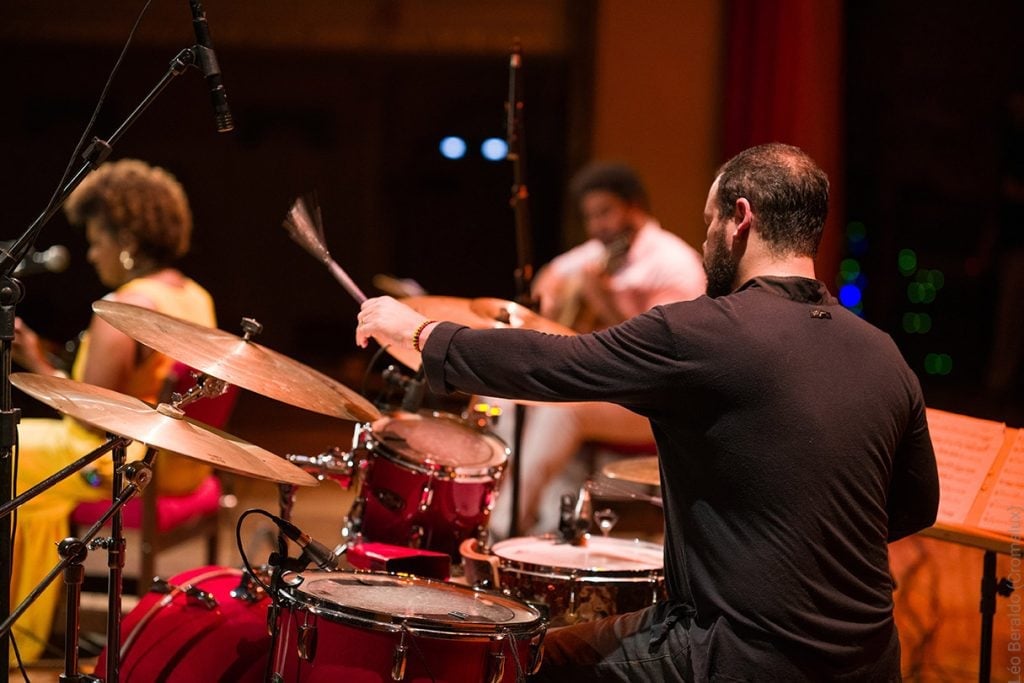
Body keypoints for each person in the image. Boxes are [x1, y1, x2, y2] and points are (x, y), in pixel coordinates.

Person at [356, 143, 939, 681]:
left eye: (709, 222)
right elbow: (917, 504)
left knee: (520, 662)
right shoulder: (884, 353)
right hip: (872, 661)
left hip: (735, 655)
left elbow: (555, 364)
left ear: (740, 218)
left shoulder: (704, 332)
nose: (705, 240)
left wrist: (424, 334)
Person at [9, 159, 217, 664]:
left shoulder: (123, 308)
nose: (91, 252)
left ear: (125, 240)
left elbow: (92, 413)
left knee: (5, 451)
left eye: (97, 239)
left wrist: (35, 363)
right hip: (179, 462)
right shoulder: (193, 295)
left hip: (114, 463)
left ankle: (20, 624)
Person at [490, 162, 706, 536]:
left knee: (563, 411)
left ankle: (502, 528)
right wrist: (554, 301)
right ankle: (528, 524)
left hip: (652, 402)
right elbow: (548, 280)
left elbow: (665, 354)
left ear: (634, 207)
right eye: (589, 216)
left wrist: (604, 301)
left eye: (604, 213)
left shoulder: (674, 264)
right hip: (601, 387)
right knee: (506, 401)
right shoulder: (598, 254)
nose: (595, 226)